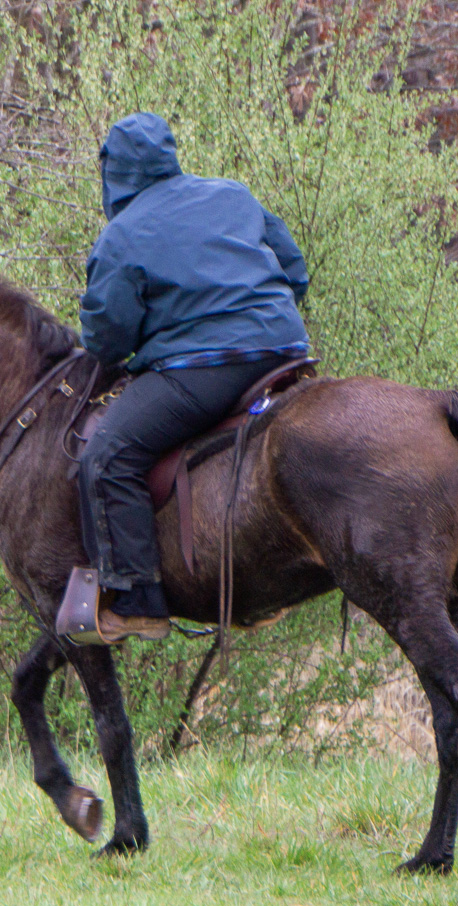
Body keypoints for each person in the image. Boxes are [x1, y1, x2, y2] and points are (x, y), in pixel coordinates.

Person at [60, 112, 310, 645]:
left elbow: (106, 341)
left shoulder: (121, 236)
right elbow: (295, 269)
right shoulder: (233, 195)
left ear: (113, 174)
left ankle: (138, 602)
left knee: (105, 455)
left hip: (203, 372)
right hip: (285, 353)